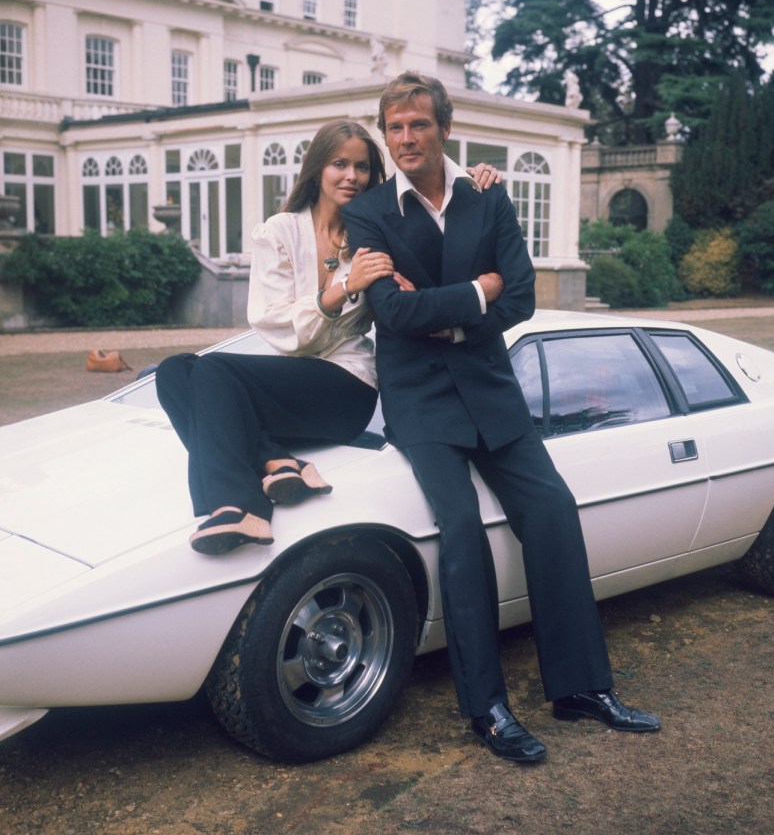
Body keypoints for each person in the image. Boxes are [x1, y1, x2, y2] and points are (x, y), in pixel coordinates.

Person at [343, 72, 661, 764]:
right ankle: (487, 709)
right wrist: (474, 293)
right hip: (418, 400)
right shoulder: (369, 214)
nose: (404, 139)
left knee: (551, 508)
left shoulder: (486, 197)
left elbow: (518, 297)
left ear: (445, 127)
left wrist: (457, 308)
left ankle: (580, 688)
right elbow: (391, 314)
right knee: (460, 529)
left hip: (490, 388)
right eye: (393, 127)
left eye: (417, 124)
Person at [156, 120, 499, 557]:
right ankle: (276, 461)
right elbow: (277, 327)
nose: (351, 177)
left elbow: (426, 189)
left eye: (361, 167)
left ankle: (239, 503)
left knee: (211, 368)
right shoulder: (280, 232)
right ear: (318, 168)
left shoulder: (378, 234)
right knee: (173, 372)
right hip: (293, 383)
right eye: (339, 164)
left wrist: (470, 178)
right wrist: (343, 287)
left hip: (347, 386)